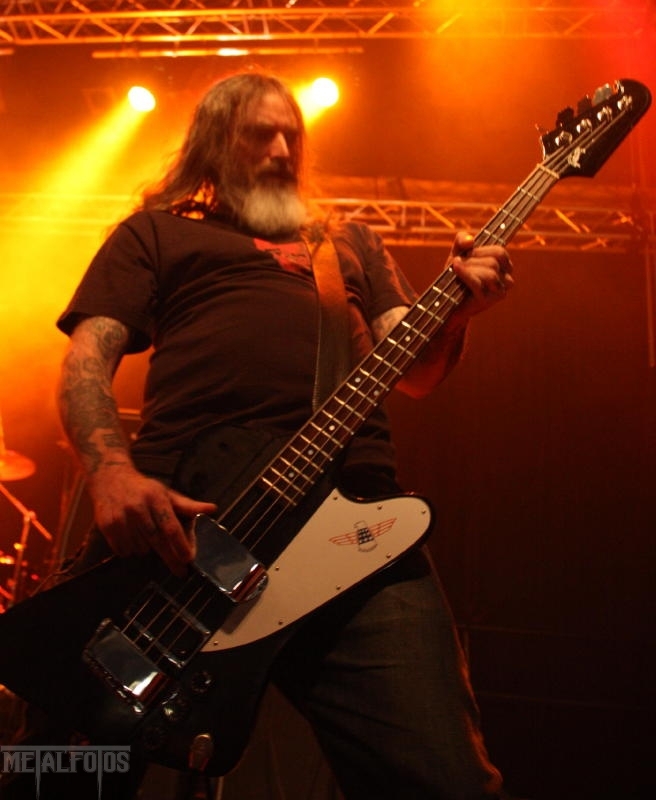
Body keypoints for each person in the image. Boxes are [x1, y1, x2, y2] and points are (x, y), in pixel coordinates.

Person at [52, 71, 513, 799]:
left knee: (446, 778)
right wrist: (110, 472)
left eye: (291, 135)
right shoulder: (157, 233)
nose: (280, 150)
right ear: (213, 144)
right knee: (62, 763)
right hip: (188, 526)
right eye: (259, 134)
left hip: (353, 526)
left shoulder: (349, 244)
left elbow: (418, 370)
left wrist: (457, 311)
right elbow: (86, 361)